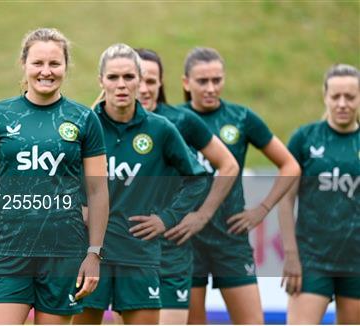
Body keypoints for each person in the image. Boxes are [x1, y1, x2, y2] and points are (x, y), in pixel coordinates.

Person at [72, 43, 208, 325]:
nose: (121, 85)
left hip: (139, 256)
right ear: (101, 81)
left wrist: (167, 218)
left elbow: (198, 179)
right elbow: (59, 180)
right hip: (89, 256)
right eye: (112, 77)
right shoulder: (83, 127)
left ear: (139, 79)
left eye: (129, 77)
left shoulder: (160, 129)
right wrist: (77, 209)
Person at [0, 28, 109, 325]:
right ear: (24, 64)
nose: (46, 71)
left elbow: (98, 192)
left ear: (65, 66)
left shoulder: (83, 119)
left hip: (63, 256)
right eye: (38, 63)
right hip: (10, 253)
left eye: (55, 63)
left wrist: (94, 254)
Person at [176, 47, 301, 324]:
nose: (211, 88)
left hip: (230, 239)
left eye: (217, 80)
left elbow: (290, 165)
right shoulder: (173, 120)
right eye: (202, 81)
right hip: (186, 241)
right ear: (186, 82)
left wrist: (262, 209)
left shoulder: (241, 118)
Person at [133, 48, 239, 324]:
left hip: (171, 251)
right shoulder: (105, 124)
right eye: (138, 79)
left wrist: (201, 215)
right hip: (128, 252)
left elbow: (228, 165)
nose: (144, 89)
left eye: (151, 81)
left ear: (162, 83)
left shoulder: (180, 121)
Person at [279, 64, 360, 324]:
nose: (342, 103)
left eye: (350, 97)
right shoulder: (304, 139)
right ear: (325, 96)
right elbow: (285, 200)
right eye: (335, 96)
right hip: (311, 261)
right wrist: (291, 255)